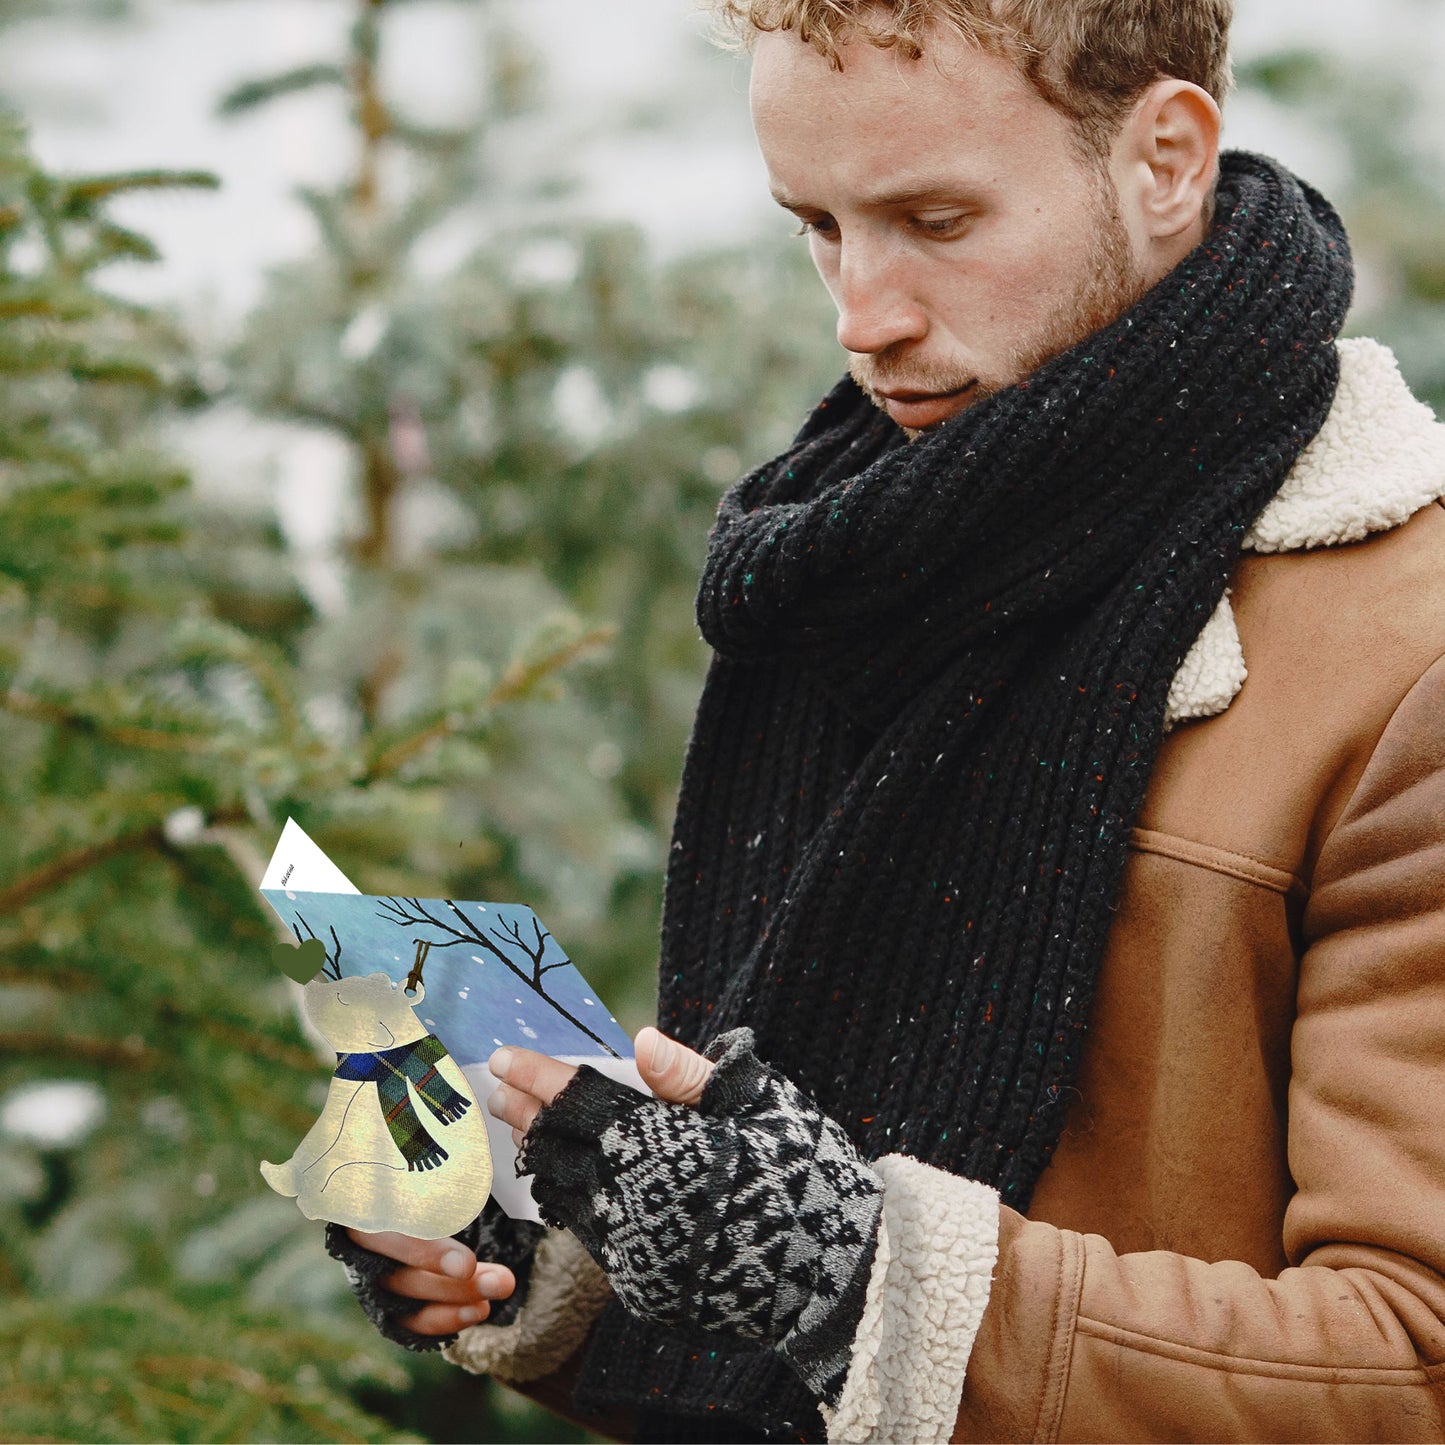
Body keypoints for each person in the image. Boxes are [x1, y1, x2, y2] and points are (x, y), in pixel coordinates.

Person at [326, 2, 1445, 1440]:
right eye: (819, 226)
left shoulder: (1405, 661)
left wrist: (854, 1270)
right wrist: (564, 1241)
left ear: (1164, 156)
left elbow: (1411, 1363)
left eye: (934, 218)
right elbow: (797, 1191)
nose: (865, 317)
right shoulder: (872, 554)